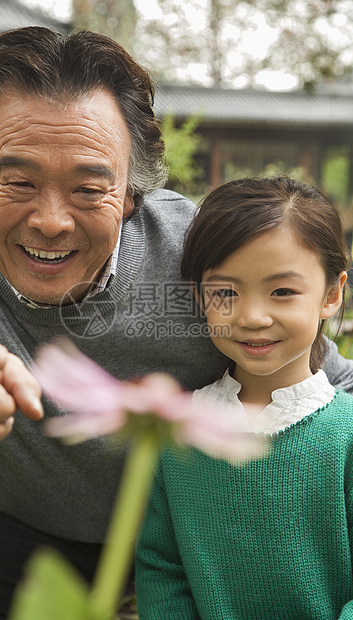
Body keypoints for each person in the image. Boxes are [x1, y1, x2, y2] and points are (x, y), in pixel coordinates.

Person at [0, 27, 350, 618]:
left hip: (201, 527)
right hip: (18, 530)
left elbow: (331, 385)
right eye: (20, 182)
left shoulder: (209, 262)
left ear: (132, 195)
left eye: (88, 187)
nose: (52, 221)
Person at [135, 176, 353, 619]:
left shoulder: (345, 435)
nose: (253, 317)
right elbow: (161, 568)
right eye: (226, 293)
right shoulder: (176, 429)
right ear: (199, 297)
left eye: (283, 292)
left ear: (331, 294)